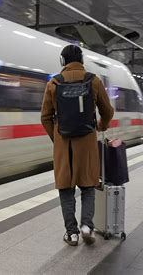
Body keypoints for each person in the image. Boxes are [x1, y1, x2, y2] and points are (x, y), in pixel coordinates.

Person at [41, 45, 114, 246]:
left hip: (64, 145)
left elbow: (45, 117)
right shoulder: (94, 80)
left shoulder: (54, 83)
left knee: (66, 189)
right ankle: (86, 227)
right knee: (88, 185)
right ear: (81, 60)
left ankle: (71, 234)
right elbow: (108, 111)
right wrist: (101, 125)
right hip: (87, 142)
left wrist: (57, 139)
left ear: (63, 61)